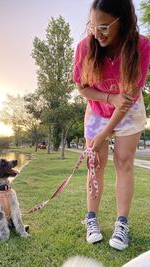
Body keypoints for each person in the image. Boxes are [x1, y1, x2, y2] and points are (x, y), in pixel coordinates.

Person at [73, 0, 150, 250]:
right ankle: (92, 218)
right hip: (97, 109)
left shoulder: (142, 46)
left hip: (127, 109)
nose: (97, 33)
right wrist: (108, 98)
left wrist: (105, 133)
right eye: (93, 26)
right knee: (94, 163)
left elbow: (127, 99)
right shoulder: (85, 47)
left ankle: (122, 223)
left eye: (104, 27)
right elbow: (81, 87)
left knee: (124, 162)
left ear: (123, 21)